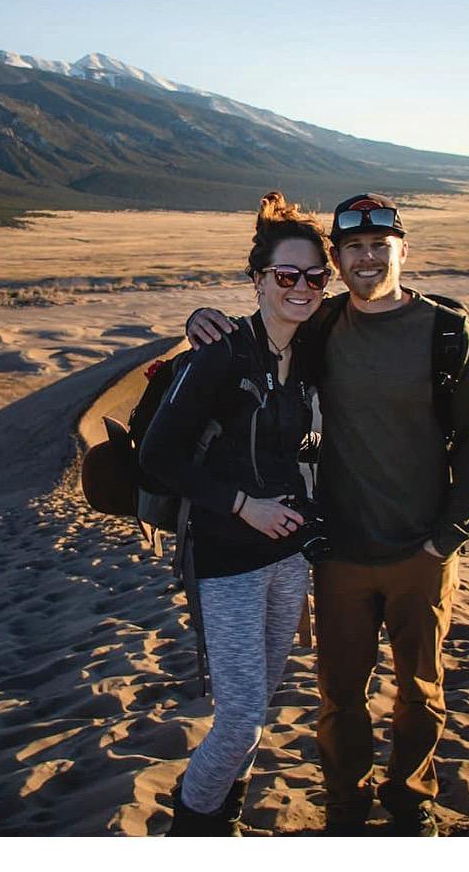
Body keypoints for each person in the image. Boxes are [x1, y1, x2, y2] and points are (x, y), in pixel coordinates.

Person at [186, 193, 469, 836]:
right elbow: (260, 333)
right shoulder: (322, 325)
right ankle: (347, 811)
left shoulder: (445, 332)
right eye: (352, 247)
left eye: (380, 245)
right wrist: (201, 320)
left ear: (402, 250)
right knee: (339, 699)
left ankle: (411, 804)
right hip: (340, 555)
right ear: (338, 258)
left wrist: (450, 537)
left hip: (422, 553)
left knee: (420, 692)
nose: (366, 257)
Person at [140, 191, 329, 836]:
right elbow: (158, 456)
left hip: (289, 557)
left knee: (260, 705)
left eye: (313, 276)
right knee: (242, 718)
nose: (299, 288)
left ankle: (223, 819)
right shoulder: (222, 352)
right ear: (258, 280)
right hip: (229, 560)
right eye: (285, 275)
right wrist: (243, 506)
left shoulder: (312, 348)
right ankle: (191, 830)